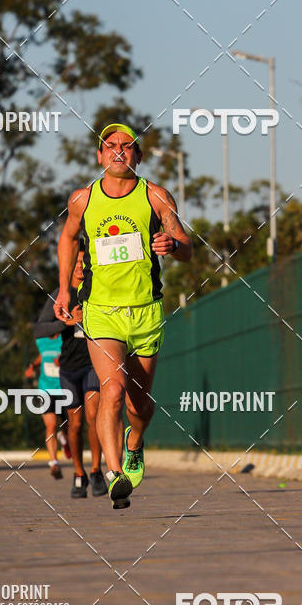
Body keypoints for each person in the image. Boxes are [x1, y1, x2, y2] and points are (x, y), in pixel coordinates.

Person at [54, 123, 192, 509]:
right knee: (110, 390)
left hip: (145, 311)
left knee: (138, 406)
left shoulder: (156, 197)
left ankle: (135, 443)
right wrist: (64, 288)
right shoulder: (83, 199)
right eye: (110, 146)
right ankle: (115, 474)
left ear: (138, 157)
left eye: (127, 146)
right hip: (101, 312)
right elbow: (67, 237)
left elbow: (186, 248)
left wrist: (172, 245)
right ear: (99, 156)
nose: (118, 151)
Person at [34, 245, 107, 499]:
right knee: (74, 425)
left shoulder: (98, 290)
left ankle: (97, 470)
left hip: (93, 364)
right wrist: (65, 322)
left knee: (94, 417)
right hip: (68, 369)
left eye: (83, 261)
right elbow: (39, 329)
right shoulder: (60, 295)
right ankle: (79, 474)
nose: (79, 266)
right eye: (74, 261)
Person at [24, 333, 65, 479]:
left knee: (71, 426)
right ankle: (54, 462)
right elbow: (42, 356)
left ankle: (64, 438)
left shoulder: (65, 337)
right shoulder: (41, 340)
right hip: (45, 389)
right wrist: (33, 365)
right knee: (51, 425)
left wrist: (63, 362)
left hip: (65, 388)